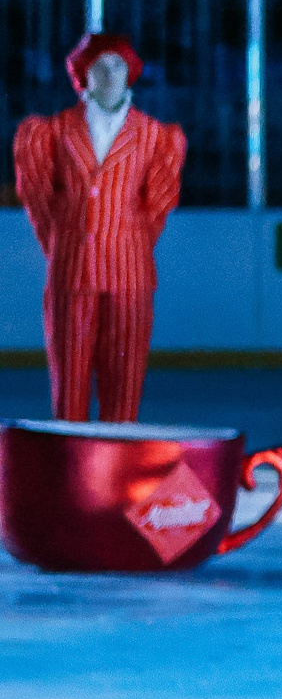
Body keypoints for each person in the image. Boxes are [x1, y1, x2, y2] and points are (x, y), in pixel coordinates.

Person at [12, 34, 186, 423]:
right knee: (69, 386)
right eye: (100, 67)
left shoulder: (155, 136)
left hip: (130, 276)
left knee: (124, 387)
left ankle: (118, 458)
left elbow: (158, 205)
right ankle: (71, 459)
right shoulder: (54, 132)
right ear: (83, 75)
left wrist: (125, 241)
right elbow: (39, 198)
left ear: (131, 73)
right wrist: (66, 243)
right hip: (71, 273)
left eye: (118, 66)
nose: (110, 75)